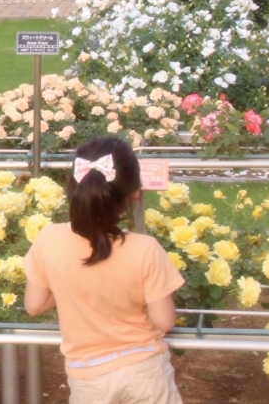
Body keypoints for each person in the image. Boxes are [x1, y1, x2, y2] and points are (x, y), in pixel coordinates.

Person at [25, 137, 184, 404]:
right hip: (145, 371)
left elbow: (34, 304)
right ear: (135, 192)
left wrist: (69, 285)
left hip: (88, 378)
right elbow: (164, 321)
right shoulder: (146, 249)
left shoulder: (47, 239)